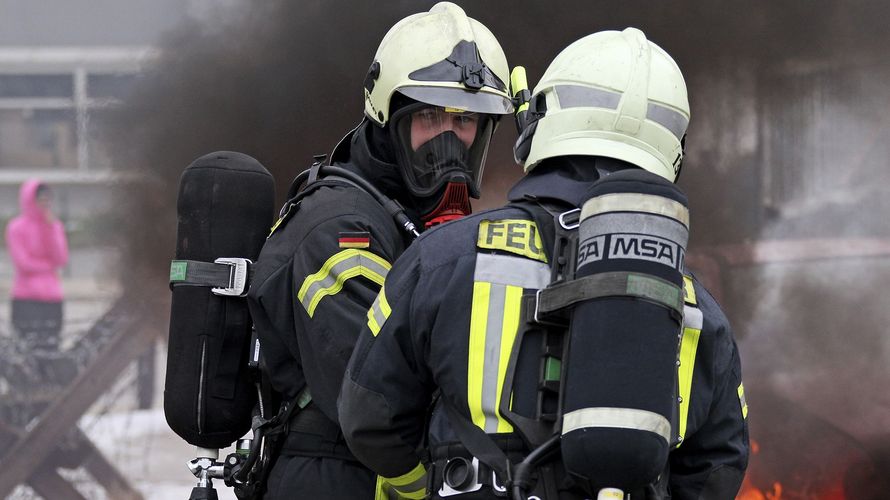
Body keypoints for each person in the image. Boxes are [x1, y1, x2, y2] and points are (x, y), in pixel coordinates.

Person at [339, 28, 749, 499]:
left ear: (542, 119)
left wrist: (425, 485)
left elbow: (370, 417)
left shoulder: (441, 260)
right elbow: (717, 468)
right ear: (672, 149)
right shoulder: (698, 310)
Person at [246, 3, 513, 498]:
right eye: (430, 117)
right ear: (388, 118)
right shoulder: (339, 230)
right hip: (335, 476)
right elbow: (372, 392)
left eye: (465, 120)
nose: (449, 140)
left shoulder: (402, 218)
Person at [5, 180, 68, 350]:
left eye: (48, 199)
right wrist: (48, 267)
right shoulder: (16, 227)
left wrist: (51, 230)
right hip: (26, 298)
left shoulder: (54, 226)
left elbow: (61, 259)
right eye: (41, 199)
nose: (45, 203)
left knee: (51, 349)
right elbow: (23, 263)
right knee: (27, 351)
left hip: (52, 298)